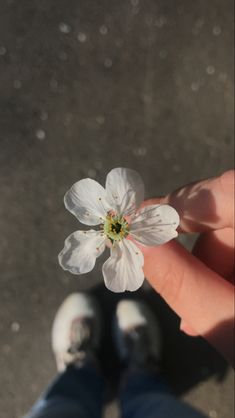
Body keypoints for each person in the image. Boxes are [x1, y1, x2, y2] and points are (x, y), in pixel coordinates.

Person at [25, 170, 234, 418]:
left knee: (61, 407)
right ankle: (140, 374)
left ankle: (81, 370)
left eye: (116, 224)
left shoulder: (123, 223)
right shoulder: (110, 226)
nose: (114, 227)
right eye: (113, 226)